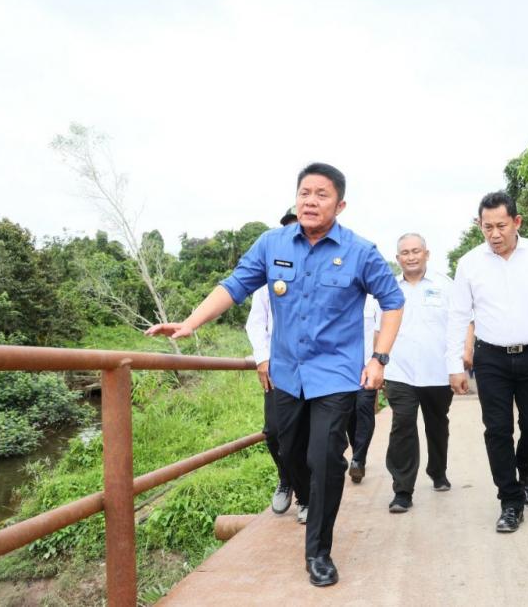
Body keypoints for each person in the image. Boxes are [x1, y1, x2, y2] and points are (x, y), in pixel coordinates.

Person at [146, 163, 404, 588]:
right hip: (287, 374)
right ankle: (308, 498)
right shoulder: (272, 243)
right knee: (291, 451)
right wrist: (191, 323)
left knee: (325, 459)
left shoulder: (360, 251)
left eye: (321, 194)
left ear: (339, 204)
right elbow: (233, 286)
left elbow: (392, 303)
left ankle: (318, 551)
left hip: (336, 375)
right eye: (304, 192)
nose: (310, 200)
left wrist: (378, 358)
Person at [447, 191, 528, 533]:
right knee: (497, 429)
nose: (494, 234)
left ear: (517, 222)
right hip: (490, 357)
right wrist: (455, 365)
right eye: (486, 227)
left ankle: (527, 468)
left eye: (501, 226)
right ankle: (510, 501)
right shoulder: (470, 263)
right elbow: (458, 316)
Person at [383, 233, 455, 513]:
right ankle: (402, 490)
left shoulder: (444, 285)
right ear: (397, 258)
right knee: (402, 425)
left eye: (416, 251)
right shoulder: (388, 288)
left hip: (437, 371)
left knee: (437, 424)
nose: (411, 257)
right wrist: (376, 363)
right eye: (405, 253)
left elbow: (460, 324)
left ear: (427, 253)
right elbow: (379, 329)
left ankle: (438, 470)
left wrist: (460, 361)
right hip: (399, 370)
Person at [244, 207, 302, 519]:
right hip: (278, 370)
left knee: (310, 436)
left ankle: (307, 495)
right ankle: (286, 480)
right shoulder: (267, 282)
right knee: (275, 431)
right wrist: (262, 358)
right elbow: (256, 324)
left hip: (313, 367)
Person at [346, 295, 379, 483]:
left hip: (368, 366)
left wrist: (379, 365)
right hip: (344, 368)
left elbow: (382, 331)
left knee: (364, 409)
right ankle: (358, 452)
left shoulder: (375, 299)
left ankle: (358, 459)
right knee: (349, 413)